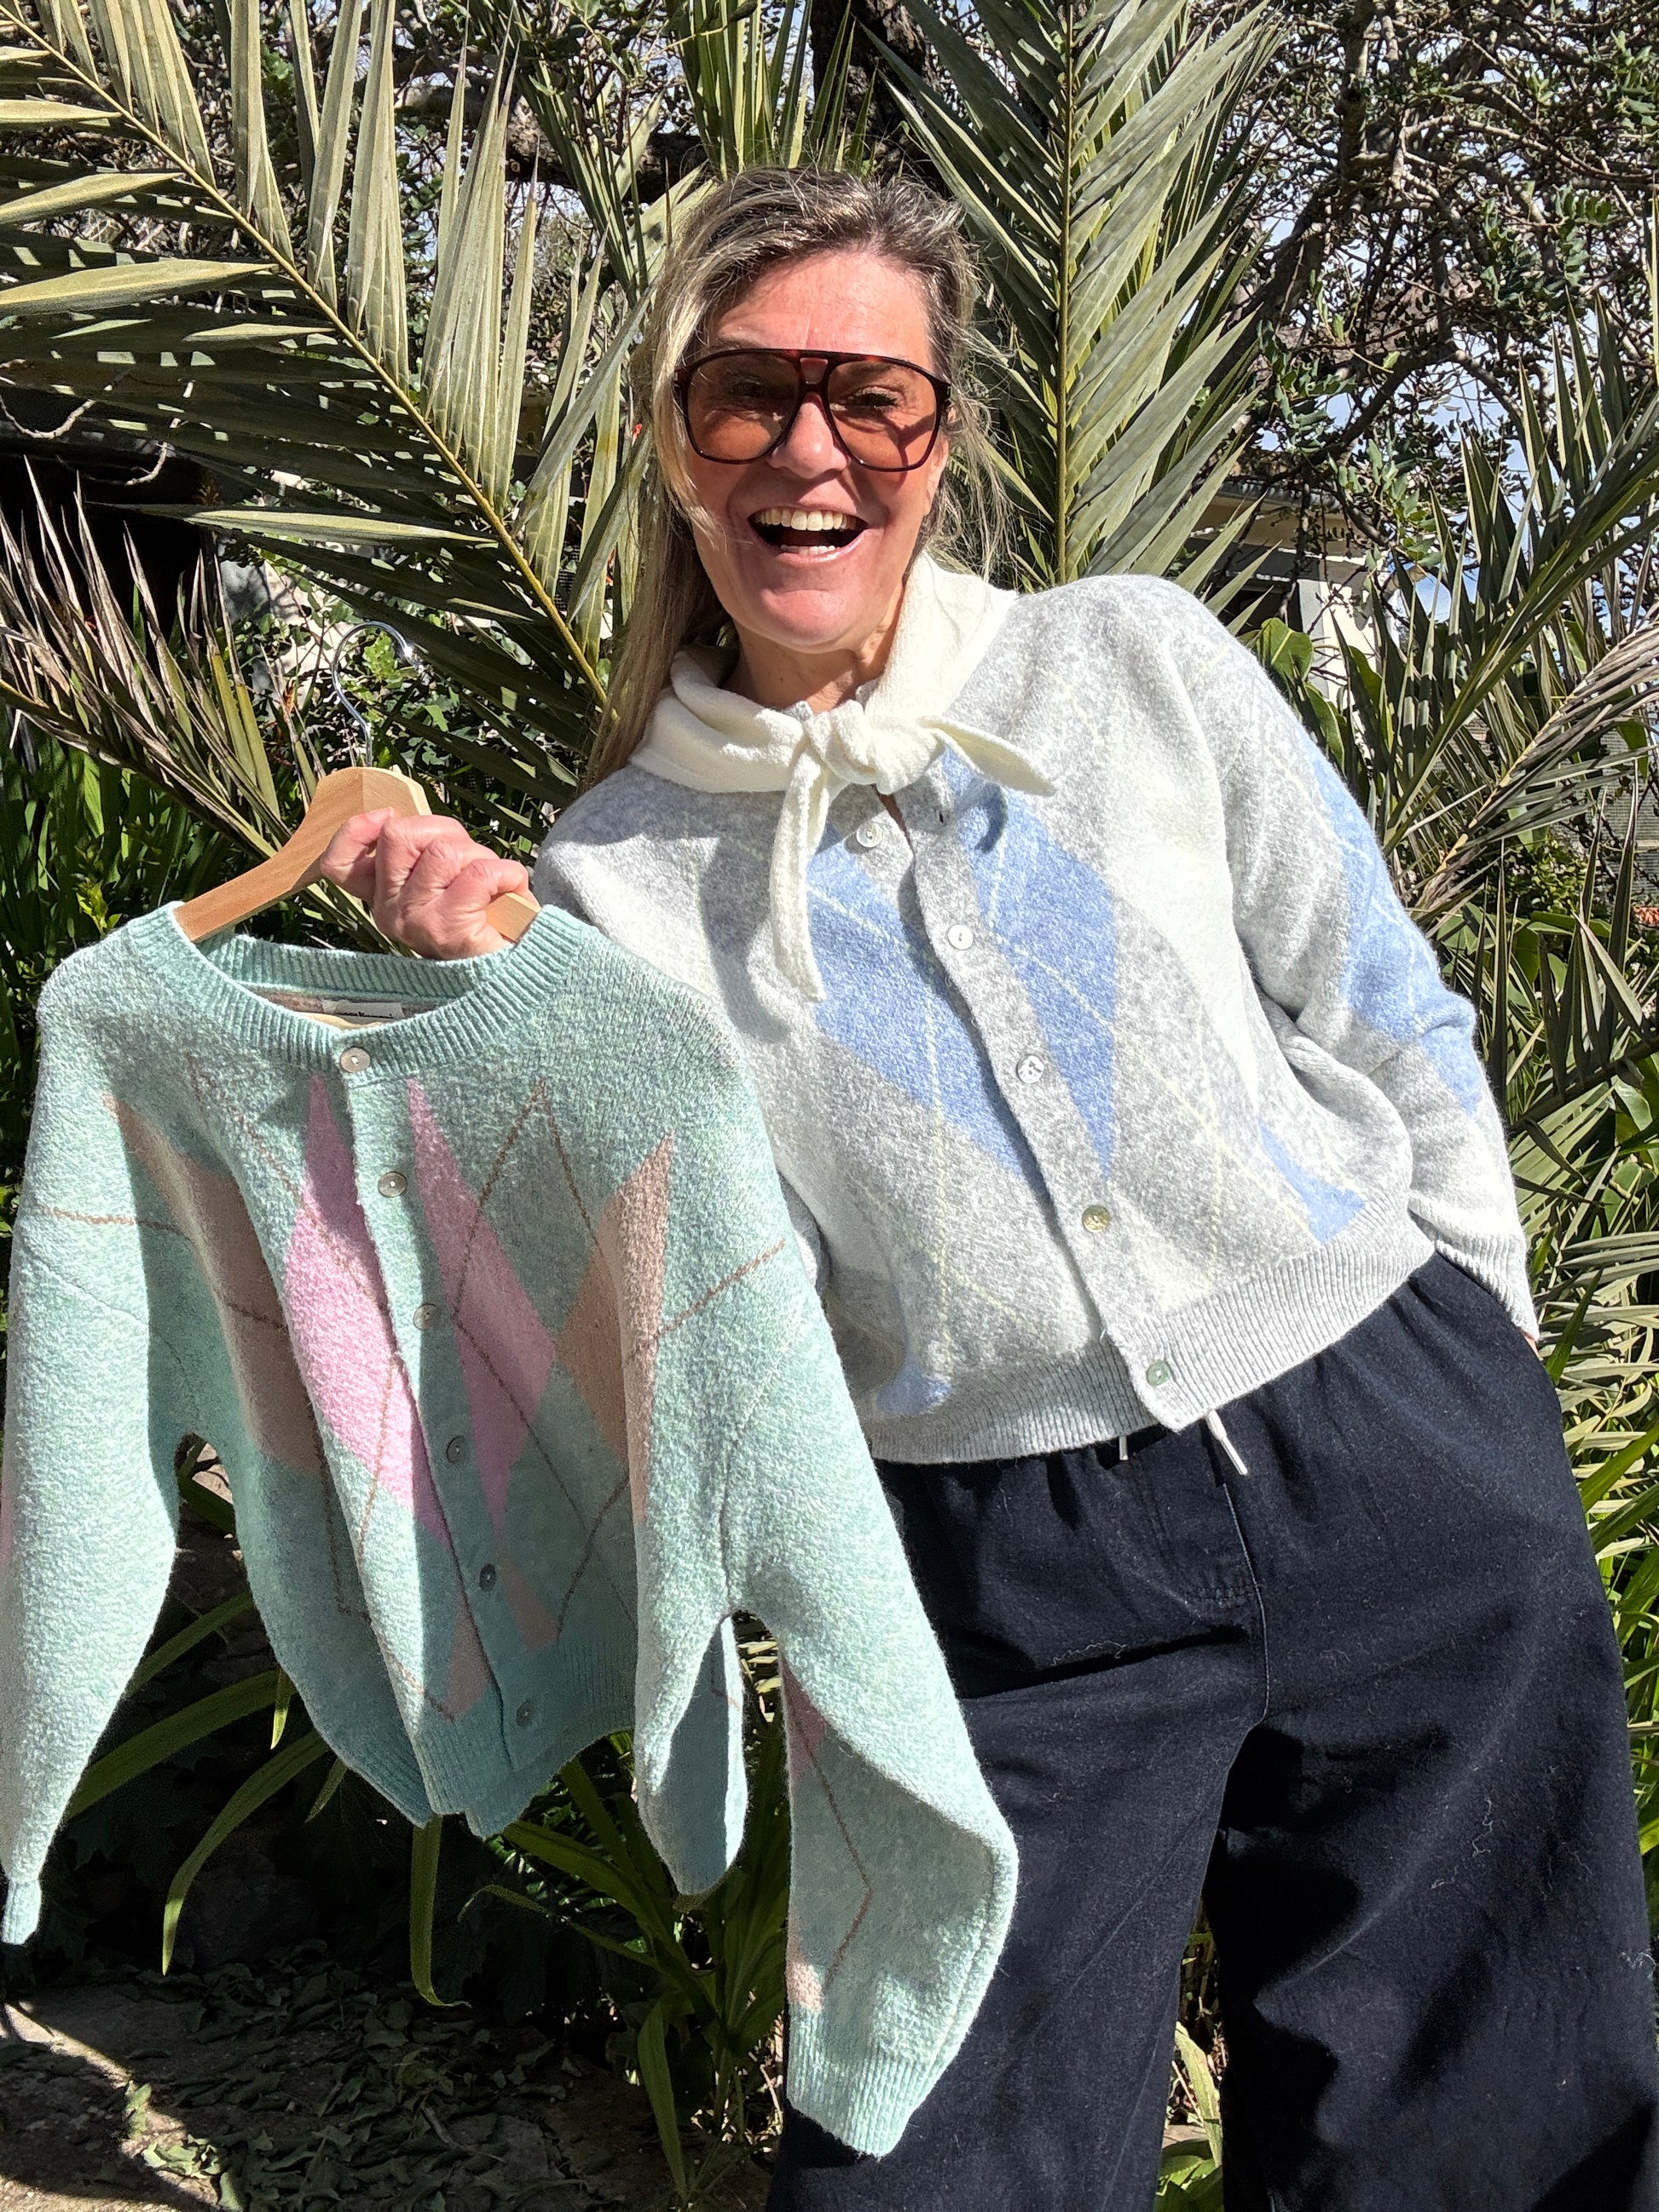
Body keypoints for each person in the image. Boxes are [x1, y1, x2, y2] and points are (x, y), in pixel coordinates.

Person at [320, 166, 1659, 2211]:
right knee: (930, 2157)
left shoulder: (1134, 661)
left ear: (940, 441)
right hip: (1008, 1565)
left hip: (1393, 1445)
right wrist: (505, 1021)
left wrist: (1478, 1350)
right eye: (747, 394)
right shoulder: (609, 881)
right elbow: (701, 1310)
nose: (812, 451)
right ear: (674, 442)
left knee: (1486, 2144)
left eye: (873, 396)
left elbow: (1383, 998)